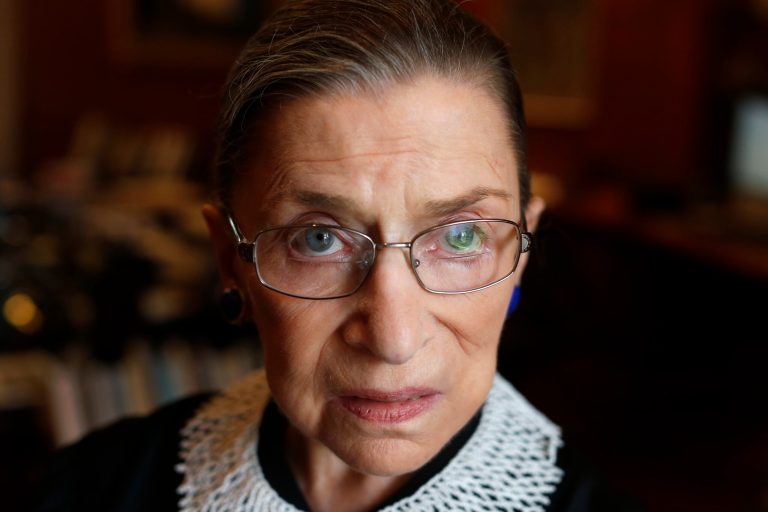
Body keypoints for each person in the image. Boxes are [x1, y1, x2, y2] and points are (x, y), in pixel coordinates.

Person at [35, 0, 644, 510]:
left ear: (522, 250)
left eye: (460, 236)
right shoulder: (90, 488)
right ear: (230, 259)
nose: (393, 336)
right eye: (318, 238)